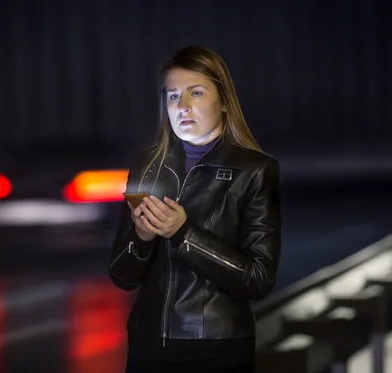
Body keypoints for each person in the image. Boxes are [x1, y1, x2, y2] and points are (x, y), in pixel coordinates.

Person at [108, 45, 283, 373]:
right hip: (149, 344)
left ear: (224, 102)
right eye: (173, 96)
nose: (183, 106)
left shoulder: (256, 170)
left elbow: (259, 279)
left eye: (196, 93)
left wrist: (183, 233)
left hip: (217, 347)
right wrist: (143, 239)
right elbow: (121, 276)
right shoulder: (147, 165)